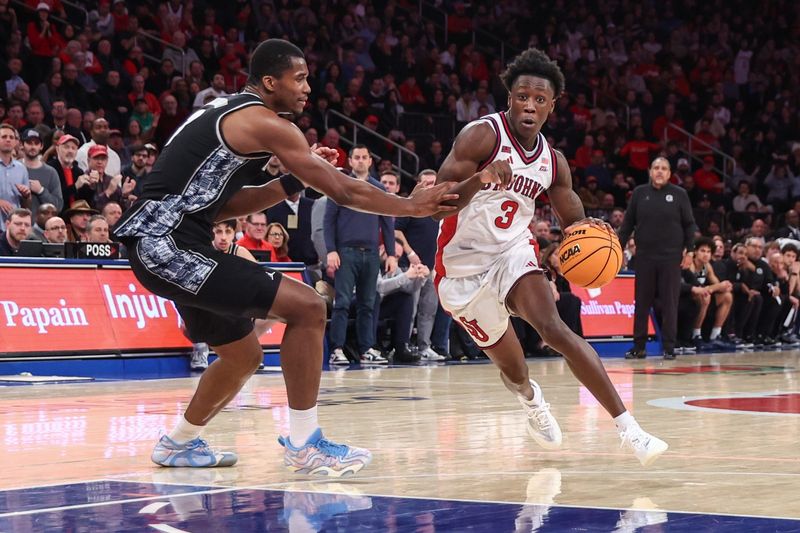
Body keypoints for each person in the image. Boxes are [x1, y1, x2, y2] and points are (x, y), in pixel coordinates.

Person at [112, 39, 456, 475]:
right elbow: (345, 190)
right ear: (270, 82)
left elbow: (220, 205)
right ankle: (304, 444)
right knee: (309, 306)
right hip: (166, 242)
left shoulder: (226, 112)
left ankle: (177, 443)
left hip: (168, 239)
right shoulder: (266, 122)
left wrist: (293, 181)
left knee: (243, 356)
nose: (308, 88)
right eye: (300, 78)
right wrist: (412, 205)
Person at [432, 47, 667, 466]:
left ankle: (630, 429)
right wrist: (481, 177)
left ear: (551, 107)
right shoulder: (480, 136)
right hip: (460, 269)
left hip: (511, 253)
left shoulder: (552, 163)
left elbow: (574, 222)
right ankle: (531, 400)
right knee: (515, 369)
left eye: (540, 100)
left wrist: (595, 232)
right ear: (510, 98)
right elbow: (439, 201)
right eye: (523, 96)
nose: (530, 105)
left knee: (554, 327)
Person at [619, 157, 697, 360]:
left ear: (670, 173)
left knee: (670, 303)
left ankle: (669, 347)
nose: (660, 171)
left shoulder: (679, 194)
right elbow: (627, 223)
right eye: (656, 168)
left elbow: (689, 224)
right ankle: (639, 346)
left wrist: (690, 251)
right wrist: (617, 248)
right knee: (642, 303)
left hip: (671, 258)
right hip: (644, 257)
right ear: (650, 171)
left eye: (664, 168)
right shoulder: (639, 193)